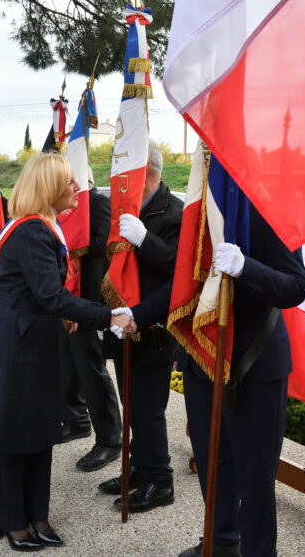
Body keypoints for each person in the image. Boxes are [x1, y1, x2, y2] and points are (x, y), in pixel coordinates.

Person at [116, 204, 305, 557]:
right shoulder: (203, 208)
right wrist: (137, 314)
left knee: (255, 478)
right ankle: (222, 542)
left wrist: (245, 267)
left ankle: (258, 551)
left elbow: (295, 285)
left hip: (255, 366)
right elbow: (185, 282)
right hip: (202, 358)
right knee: (211, 464)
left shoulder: (270, 207)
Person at [0, 152, 123, 551]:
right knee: (14, 436)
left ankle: (37, 515)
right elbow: (51, 295)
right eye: (69, 182)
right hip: (19, 344)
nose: (76, 189)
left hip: (31, 339)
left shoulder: (42, 225)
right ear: (49, 187)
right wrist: (109, 317)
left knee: (38, 433)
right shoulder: (33, 231)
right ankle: (12, 520)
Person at [100, 139, 184, 512]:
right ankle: (138, 466)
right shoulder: (128, 208)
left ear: (145, 171)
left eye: (125, 169)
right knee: (130, 405)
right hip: (124, 326)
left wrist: (144, 239)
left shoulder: (175, 212)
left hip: (152, 330)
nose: (117, 177)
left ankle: (161, 480)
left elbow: (177, 270)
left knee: (149, 410)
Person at [58, 171, 122, 471]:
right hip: (68, 295)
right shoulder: (67, 205)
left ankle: (110, 440)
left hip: (89, 296)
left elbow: (105, 242)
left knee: (92, 368)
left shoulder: (95, 201)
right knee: (68, 362)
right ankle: (76, 418)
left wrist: (74, 240)